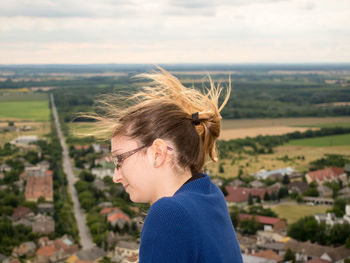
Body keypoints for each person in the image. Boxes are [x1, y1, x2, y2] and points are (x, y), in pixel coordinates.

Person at [88, 67, 242, 262]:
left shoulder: (168, 214)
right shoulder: (210, 194)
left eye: (119, 160)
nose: (115, 177)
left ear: (158, 153)